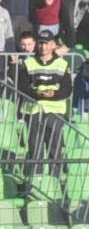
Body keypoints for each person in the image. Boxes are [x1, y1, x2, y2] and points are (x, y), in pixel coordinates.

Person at [20, 33, 75, 218]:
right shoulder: (28, 63)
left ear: (53, 45)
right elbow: (23, 86)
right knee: (35, 149)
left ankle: (55, 187)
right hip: (34, 110)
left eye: (46, 43)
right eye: (41, 43)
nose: (43, 47)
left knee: (54, 149)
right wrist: (40, 94)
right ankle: (35, 186)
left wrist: (53, 94)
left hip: (55, 111)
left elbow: (67, 88)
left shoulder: (62, 64)